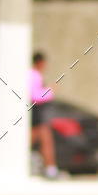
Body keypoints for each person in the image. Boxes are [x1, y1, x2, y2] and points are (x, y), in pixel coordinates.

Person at [30, 51, 59, 179]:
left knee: (43, 140)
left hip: (36, 113)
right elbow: (34, 96)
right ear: (40, 62)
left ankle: (50, 169)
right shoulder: (34, 75)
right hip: (36, 112)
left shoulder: (34, 75)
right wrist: (50, 90)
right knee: (45, 140)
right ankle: (50, 169)